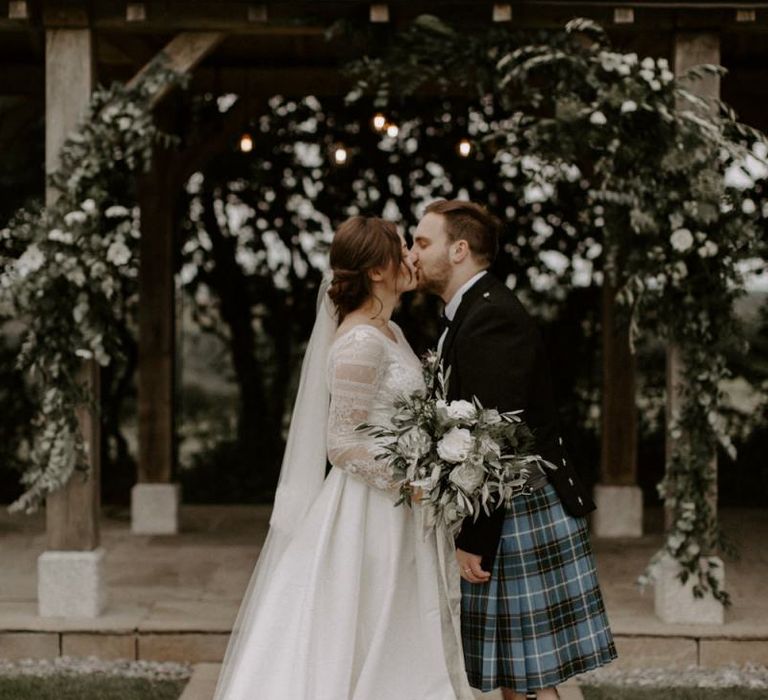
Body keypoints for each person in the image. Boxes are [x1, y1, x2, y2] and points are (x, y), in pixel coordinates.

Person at [212, 216, 474, 700]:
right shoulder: (360, 342)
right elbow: (343, 443)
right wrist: (414, 480)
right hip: (370, 511)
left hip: (399, 506)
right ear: (377, 271)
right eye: (402, 248)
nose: (412, 257)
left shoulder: (390, 332)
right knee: (367, 620)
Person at [410, 199, 617, 700]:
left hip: (515, 510)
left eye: (422, 242)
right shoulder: (469, 312)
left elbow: (493, 440)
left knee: (532, 679)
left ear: (458, 250)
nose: (412, 253)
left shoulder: (489, 316)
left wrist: (474, 538)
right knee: (516, 679)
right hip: (506, 510)